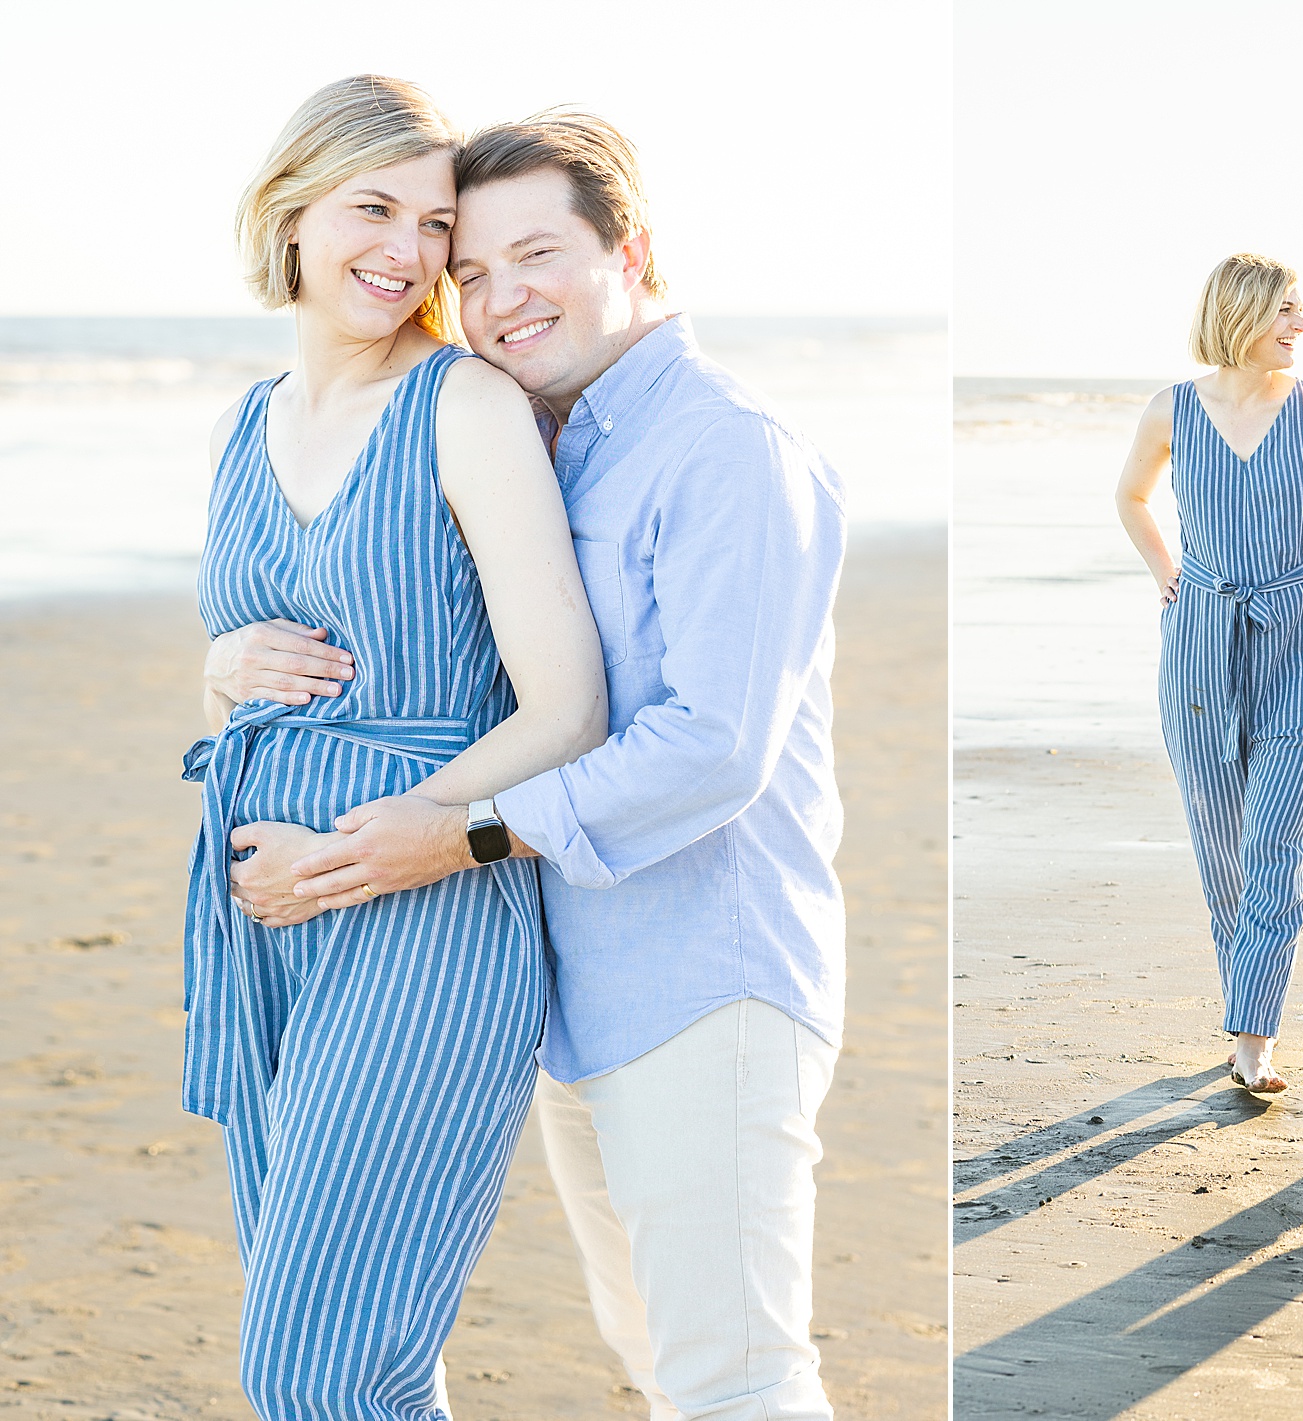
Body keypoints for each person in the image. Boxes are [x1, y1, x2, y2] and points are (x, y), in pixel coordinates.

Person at [219, 111, 849, 1419]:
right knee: (653, 1354)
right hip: (573, 983)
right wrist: (226, 666)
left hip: (705, 979)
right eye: (477, 270)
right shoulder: (560, 436)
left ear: (637, 251)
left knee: (735, 1377)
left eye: (537, 255)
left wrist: (463, 831)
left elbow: (712, 744)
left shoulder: (726, 447)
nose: (501, 299)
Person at [185, 76, 606, 1419]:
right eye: (377, 207)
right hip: (266, 920)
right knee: (360, 1365)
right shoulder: (239, 427)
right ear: (292, 211)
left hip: (425, 911)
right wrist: (216, 671)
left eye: (435, 225)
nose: (409, 251)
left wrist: (375, 844)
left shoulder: (464, 408)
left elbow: (566, 712)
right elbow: (259, 687)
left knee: (311, 1369)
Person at [1113, 253, 1303, 1096]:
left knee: (1279, 839)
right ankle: (1247, 1003)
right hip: (1200, 640)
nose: (1301, 326)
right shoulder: (1171, 408)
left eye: (1301, 310)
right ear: (1239, 314)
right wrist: (1167, 569)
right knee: (1223, 840)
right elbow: (1130, 497)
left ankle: (1252, 1036)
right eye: (1286, 311)